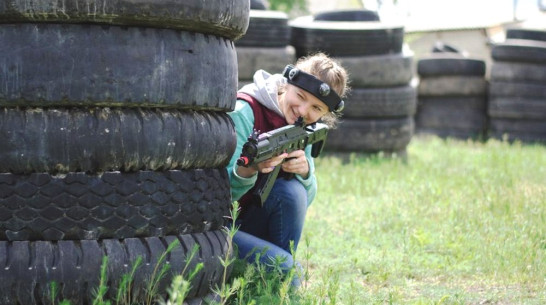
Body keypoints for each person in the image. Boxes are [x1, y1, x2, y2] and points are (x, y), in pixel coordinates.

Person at [226, 52, 349, 285]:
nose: (303, 111)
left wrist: (304, 173)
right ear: (287, 85)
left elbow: (305, 199)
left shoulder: (304, 128)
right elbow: (215, 196)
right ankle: (274, 274)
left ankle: (267, 277)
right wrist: (249, 170)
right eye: (300, 96)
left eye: (316, 108)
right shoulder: (245, 111)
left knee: (292, 191)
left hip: (251, 221)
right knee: (290, 275)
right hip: (219, 229)